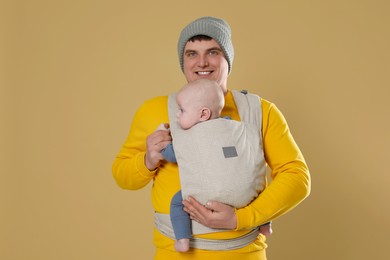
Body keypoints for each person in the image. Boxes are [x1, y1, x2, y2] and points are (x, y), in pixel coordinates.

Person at [112, 16, 311, 259]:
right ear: (182, 61)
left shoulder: (260, 111)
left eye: (213, 51)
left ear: (228, 58)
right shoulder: (155, 111)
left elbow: (297, 177)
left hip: (243, 253)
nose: (202, 62)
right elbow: (123, 176)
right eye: (191, 53)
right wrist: (148, 160)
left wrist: (242, 218)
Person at [158, 78, 272, 252]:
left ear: (203, 114)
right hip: (245, 195)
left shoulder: (191, 136)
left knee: (177, 203)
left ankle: (182, 239)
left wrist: (163, 143)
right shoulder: (233, 126)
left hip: (208, 196)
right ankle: (265, 225)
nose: (177, 114)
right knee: (260, 191)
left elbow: (174, 156)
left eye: (182, 110)